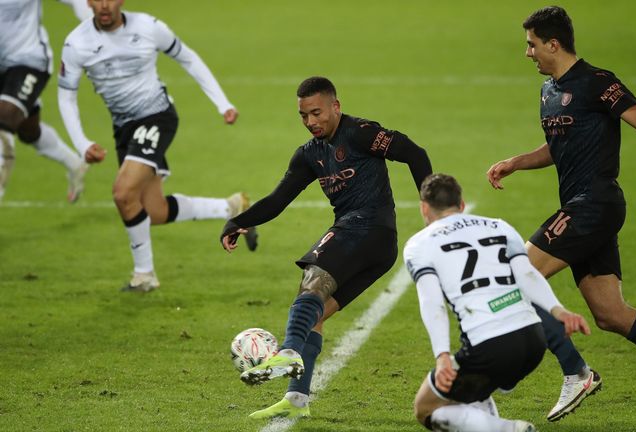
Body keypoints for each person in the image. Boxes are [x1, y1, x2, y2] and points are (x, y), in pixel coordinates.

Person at [486, 6, 636, 428]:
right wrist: (516, 162)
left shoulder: (599, 82)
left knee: (516, 276)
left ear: (553, 44)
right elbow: (557, 146)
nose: (528, 53)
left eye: (531, 45)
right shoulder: (547, 90)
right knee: (610, 314)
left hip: (592, 204)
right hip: (585, 208)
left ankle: (576, 372)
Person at [220, 76, 432, 420]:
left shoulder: (361, 133)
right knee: (311, 314)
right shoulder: (309, 154)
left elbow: (414, 153)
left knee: (312, 280)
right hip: (374, 247)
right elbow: (278, 199)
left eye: (317, 113)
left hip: (368, 228)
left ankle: (288, 351)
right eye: (304, 115)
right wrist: (239, 221)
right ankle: (297, 399)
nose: (311, 122)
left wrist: (430, 206)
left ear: (336, 106)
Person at [58, 0, 256, 291]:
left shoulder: (148, 27)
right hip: (124, 129)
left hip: (157, 117)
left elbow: (188, 58)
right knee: (154, 211)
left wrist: (222, 103)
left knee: (123, 193)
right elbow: (66, 96)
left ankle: (144, 275)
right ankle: (233, 209)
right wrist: (81, 143)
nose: (103, 5)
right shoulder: (76, 43)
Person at [405, 173, 591, 432]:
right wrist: (559, 311)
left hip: (489, 346)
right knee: (475, 390)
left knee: (425, 407)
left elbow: (432, 302)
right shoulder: (499, 226)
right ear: (461, 204)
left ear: (424, 208)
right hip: (533, 340)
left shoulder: (418, 244)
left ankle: (508, 429)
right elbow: (527, 275)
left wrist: (442, 355)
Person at [0, 0, 88, 203]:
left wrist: (92, 31)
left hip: (28, 61)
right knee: (29, 131)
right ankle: (75, 164)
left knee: (5, 117)